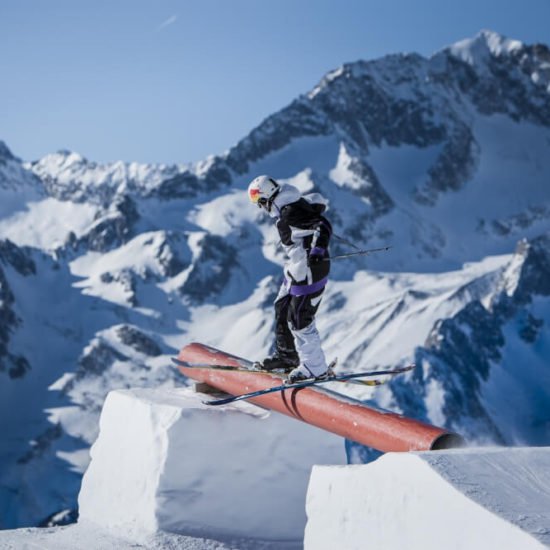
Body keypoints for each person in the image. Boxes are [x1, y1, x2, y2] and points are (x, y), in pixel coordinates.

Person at [247, 175, 332, 382]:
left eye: (259, 200)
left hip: (309, 269)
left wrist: (318, 249)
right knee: (282, 307)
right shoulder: (289, 205)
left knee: (299, 318)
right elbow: (316, 203)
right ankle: (288, 357)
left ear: (268, 195)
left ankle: (315, 368)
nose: (260, 206)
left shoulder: (290, 211)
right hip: (296, 268)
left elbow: (323, 225)